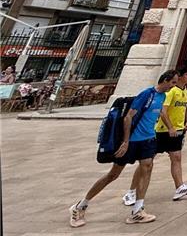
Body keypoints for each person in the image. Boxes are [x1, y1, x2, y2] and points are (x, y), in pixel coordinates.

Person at [69, 70, 178, 227]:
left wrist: (170, 127)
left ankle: (138, 210)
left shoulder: (163, 97)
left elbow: (161, 112)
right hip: (132, 140)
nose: (173, 86)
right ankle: (80, 205)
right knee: (113, 174)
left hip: (148, 140)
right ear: (166, 80)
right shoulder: (147, 94)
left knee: (147, 168)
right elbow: (128, 117)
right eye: (173, 82)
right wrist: (125, 141)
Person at [124, 66, 187, 204]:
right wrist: (170, 127)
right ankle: (131, 191)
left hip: (177, 130)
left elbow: (186, 107)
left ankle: (179, 187)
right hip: (162, 131)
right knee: (147, 162)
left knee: (176, 157)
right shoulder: (170, 92)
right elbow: (163, 111)